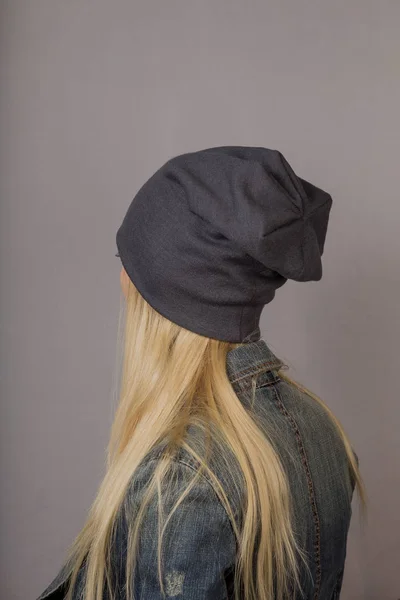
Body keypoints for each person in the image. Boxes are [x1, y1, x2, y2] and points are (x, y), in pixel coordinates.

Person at [36, 146, 365, 600]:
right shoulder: (323, 428)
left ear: (171, 290)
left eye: (129, 262)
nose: (122, 279)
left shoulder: (182, 477)